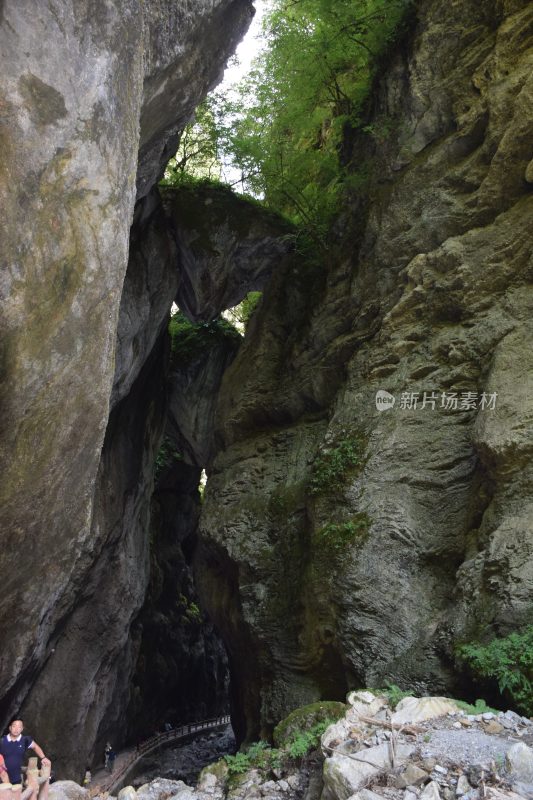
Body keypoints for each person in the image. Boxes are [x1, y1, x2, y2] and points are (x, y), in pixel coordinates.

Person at [0, 719, 51, 800]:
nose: (16, 729)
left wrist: (43, 757)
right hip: (2, 778)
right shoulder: (2, 741)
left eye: (19, 727)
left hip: (16, 778)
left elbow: (35, 747)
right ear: (10, 728)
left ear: (22, 729)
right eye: (14, 726)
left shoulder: (25, 740)